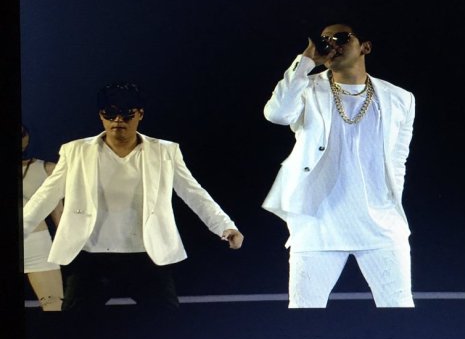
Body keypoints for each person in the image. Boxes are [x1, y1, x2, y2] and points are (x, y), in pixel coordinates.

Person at [22, 82, 244, 311]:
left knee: (168, 326)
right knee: (73, 326)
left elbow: (193, 192)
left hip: (148, 255)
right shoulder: (76, 151)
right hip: (91, 256)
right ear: (101, 115)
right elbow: (47, 194)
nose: (118, 120)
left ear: (140, 114)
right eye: (110, 113)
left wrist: (224, 225)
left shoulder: (164, 151)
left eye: (126, 113)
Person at [262, 23, 416, 308]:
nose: (333, 44)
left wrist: (390, 204)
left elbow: (397, 160)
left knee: (399, 309)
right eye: (325, 40)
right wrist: (306, 62)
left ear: (365, 47)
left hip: (381, 225)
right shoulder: (306, 88)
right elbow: (277, 114)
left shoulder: (400, 98)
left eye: (341, 37)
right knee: (304, 311)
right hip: (317, 223)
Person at [21, 123, 64, 311]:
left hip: (36, 243)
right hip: (36, 241)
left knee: (53, 305)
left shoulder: (46, 169)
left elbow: (59, 214)